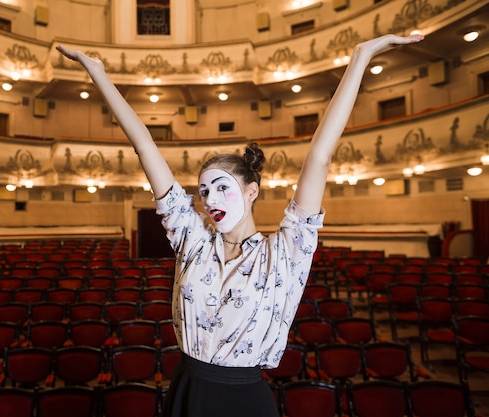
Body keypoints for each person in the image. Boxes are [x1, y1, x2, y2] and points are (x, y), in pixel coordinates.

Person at [57, 33, 423, 417]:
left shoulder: (285, 251)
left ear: (252, 191)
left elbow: (320, 156)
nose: (209, 200)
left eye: (221, 188)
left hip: (244, 400)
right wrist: (96, 72)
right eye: (202, 191)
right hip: (187, 388)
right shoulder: (192, 240)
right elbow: (145, 146)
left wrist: (360, 58)